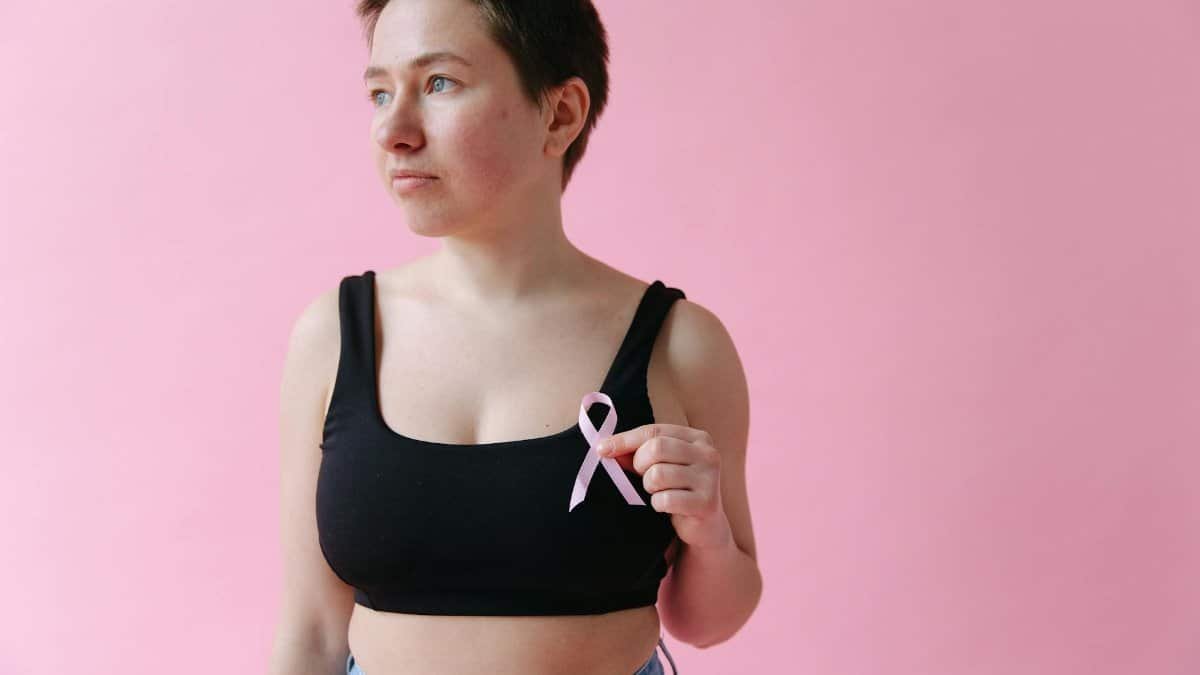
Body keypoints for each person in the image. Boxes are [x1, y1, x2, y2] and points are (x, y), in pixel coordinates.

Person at [268, 1, 761, 673]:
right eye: (380, 91)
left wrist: (708, 532)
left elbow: (707, 622)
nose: (393, 130)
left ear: (559, 114)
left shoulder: (681, 345)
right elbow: (312, 630)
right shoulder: (333, 336)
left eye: (439, 82)